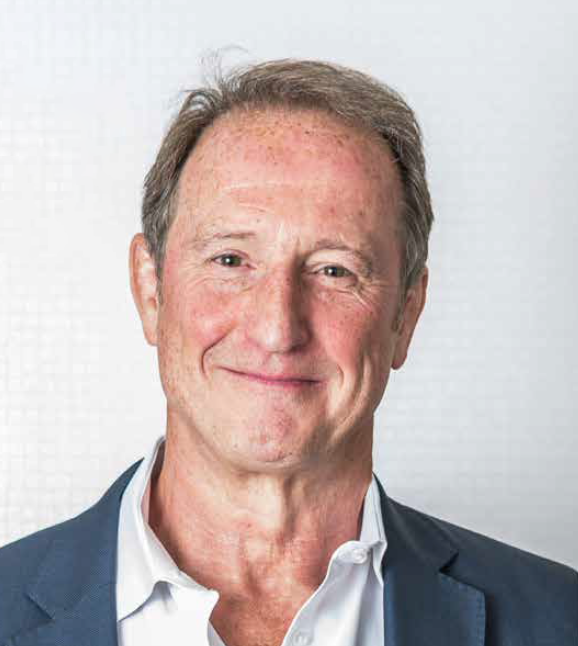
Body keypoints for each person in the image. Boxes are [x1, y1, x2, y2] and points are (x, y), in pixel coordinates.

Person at [0, 59, 576, 646]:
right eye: (230, 260)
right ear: (151, 290)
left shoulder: (560, 621)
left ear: (406, 314)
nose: (277, 328)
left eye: (334, 270)